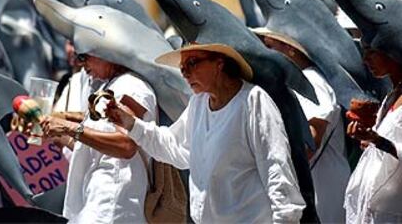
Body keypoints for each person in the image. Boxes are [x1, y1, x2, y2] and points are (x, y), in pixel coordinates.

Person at [106, 42, 305, 223]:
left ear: (219, 63)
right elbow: (174, 147)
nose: (185, 72)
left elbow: (276, 170)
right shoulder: (198, 103)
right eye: (182, 68)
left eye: (192, 63)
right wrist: (130, 123)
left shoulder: (253, 102)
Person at [40, 52, 157, 224]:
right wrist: (55, 122)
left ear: (107, 50)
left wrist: (68, 127)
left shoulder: (133, 86)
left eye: (85, 56)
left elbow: (126, 145)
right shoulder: (112, 85)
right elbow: (96, 135)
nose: (81, 63)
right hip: (98, 199)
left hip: (113, 202)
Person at [252, 28, 350, 223]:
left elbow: (311, 142)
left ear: (290, 49)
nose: (264, 51)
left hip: (322, 189)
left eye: (269, 46)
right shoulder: (300, 82)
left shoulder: (313, 81)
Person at [344, 45, 402, 223]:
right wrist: (370, 141)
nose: (365, 60)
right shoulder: (391, 96)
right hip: (372, 204)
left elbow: (393, 147)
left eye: (372, 52)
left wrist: (377, 140)